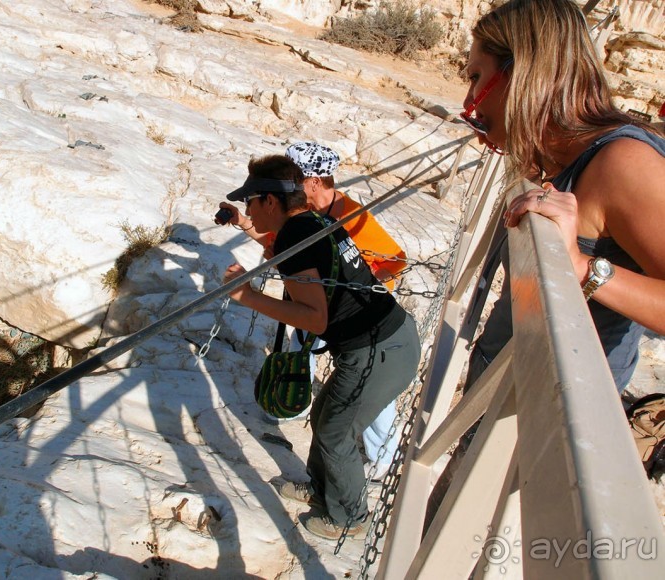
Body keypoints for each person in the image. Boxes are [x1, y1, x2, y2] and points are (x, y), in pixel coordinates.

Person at [426, 0, 665, 528]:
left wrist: (583, 268)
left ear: (525, 72)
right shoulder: (561, 158)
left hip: (540, 454)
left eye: (476, 78)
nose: (468, 101)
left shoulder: (622, 164)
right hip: (504, 422)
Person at [221, 155, 421, 540]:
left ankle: (349, 518)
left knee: (335, 433)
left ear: (270, 202)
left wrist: (247, 296)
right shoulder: (312, 220)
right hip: (384, 341)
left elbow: (314, 319)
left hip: (378, 351)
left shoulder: (298, 236)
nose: (248, 209)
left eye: (251, 201)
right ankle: (320, 488)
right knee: (325, 417)